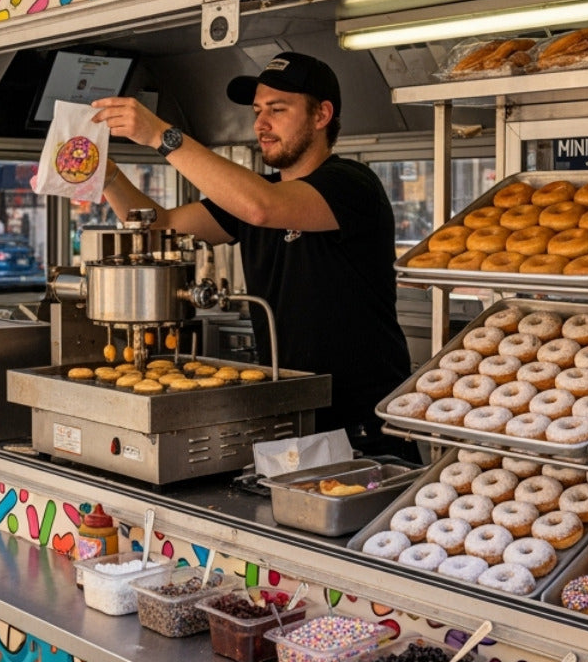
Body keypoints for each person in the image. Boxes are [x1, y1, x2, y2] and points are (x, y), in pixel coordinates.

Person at [95, 52, 410, 447]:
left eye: (277, 109)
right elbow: (159, 226)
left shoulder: (351, 185)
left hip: (361, 421)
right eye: (258, 110)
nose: (261, 123)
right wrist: (105, 174)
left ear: (321, 115)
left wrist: (162, 135)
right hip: (290, 411)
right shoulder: (256, 194)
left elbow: (260, 208)